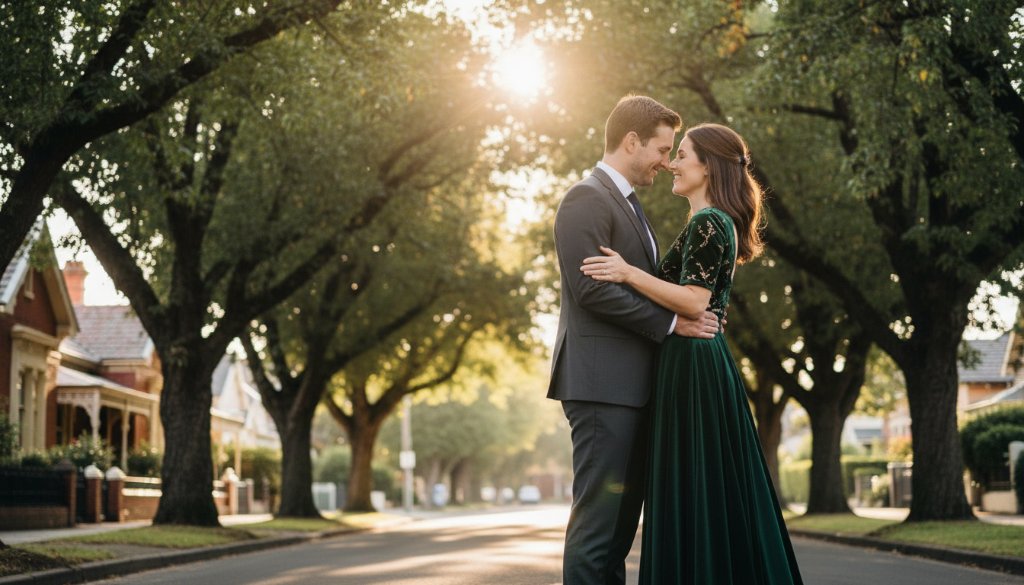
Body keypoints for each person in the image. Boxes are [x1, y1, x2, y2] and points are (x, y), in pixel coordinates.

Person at [581, 122, 804, 584]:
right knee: (704, 488)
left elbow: (695, 301)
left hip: (693, 365)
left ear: (709, 166)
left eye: (681, 155)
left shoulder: (708, 222)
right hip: (696, 360)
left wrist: (627, 273)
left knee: (693, 484)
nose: (672, 165)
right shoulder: (715, 222)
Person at [549, 96, 721, 585]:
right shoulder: (586, 198)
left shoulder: (626, 203)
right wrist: (672, 324)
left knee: (618, 534)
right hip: (603, 388)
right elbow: (590, 290)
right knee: (597, 529)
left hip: (630, 389)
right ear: (631, 142)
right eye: (662, 150)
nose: (666, 162)